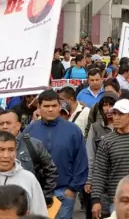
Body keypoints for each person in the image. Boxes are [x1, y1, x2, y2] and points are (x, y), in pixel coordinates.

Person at [23, 90, 88, 219]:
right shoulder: (29, 130)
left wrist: (72, 189)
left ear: (59, 107)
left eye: (54, 106)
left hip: (63, 192)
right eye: (46, 106)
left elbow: (81, 161)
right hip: (36, 193)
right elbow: (24, 161)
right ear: (39, 108)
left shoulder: (73, 130)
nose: (50, 109)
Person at [0, 110, 57, 206]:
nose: (4, 126)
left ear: (18, 125)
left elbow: (51, 170)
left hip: (27, 202)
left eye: (8, 123)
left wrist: (44, 195)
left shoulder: (33, 144)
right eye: (1, 124)